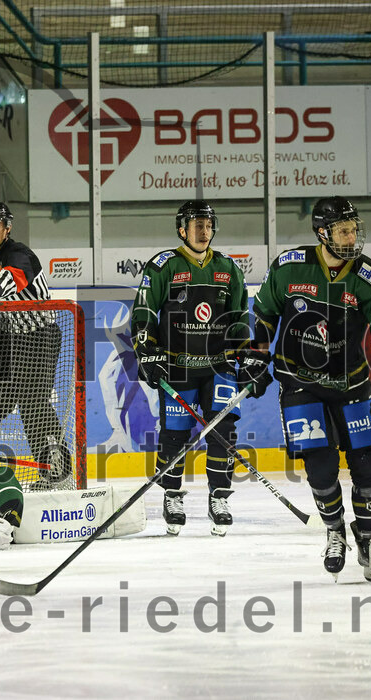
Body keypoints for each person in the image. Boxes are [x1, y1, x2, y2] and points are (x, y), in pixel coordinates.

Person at [253, 196, 371, 583]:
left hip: (351, 382)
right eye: (343, 230)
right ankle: (335, 531)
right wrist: (254, 358)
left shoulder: (366, 274)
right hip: (300, 382)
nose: (352, 236)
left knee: (368, 467)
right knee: (321, 468)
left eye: (354, 229)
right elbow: (264, 314)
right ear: (322, 233)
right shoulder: (290, 268)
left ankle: (368, 542)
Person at [130, 200, 264, 537]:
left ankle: (219, 496)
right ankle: (172, 496)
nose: (203, 231)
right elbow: (144, 312)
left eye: (207, 225)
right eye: (196, 225)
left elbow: (237, 321)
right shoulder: (164, 266)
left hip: (219, 367)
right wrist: (147, 351)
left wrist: (246, 355)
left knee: (223, 431)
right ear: (181, 229)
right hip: (178, 366)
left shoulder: (228, 268)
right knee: (174, 435)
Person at [0, 202, 71, 488]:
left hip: (39, 337)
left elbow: (11, 277)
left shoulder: (19, 253)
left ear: (7, 228)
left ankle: (56, 472)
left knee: (33, 405)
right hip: (7, 339)